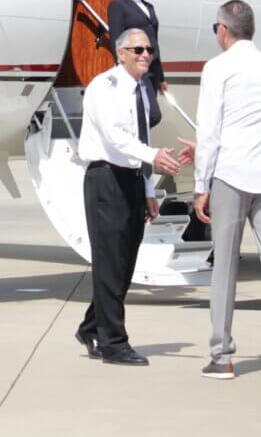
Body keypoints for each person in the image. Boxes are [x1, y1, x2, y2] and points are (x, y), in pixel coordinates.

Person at [185, 0, 261, 384]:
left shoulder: (218, 68)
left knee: (225, 267)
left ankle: (221, 356)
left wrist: (200, 186)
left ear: (224, 30)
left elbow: (209, 132)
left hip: (230, 175)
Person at [75, 28, 193, 365]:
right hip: (106, 179)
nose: (145, 55)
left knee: (125, 262)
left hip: (130, 179)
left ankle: (92, 325)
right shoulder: (105, 86)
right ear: (120, 53)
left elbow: (138, 138)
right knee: (110, 260)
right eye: (138, 49)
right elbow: (115, 138)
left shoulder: (140, 89)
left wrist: (147, 189)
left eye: (149, 50)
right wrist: (154, 155)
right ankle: (113, 343)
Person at [107, 0, 167, 96]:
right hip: (135, 67)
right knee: (147, 112)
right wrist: (122, 68)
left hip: (153, 68)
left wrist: (161, 77)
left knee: (150, 114)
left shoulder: (149, 7)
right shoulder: (118, 6)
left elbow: (154, 41)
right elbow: (116, 40)